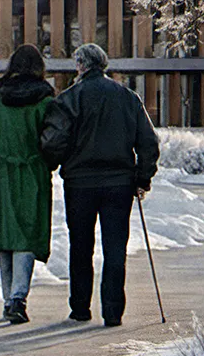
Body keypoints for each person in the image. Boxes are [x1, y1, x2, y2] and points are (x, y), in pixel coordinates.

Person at [41, 42, 161, 327]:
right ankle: (112, 310)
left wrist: (53, 163)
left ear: (81, 66)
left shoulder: (70, 98)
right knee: (115, 248)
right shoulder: (128, 97)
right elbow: (148, 142)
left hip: (79, 183)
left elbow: (54, 140)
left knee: (81, 245)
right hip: (119, 184)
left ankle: (80, 307)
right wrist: (143, 177)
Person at [0, 45, 57, 325]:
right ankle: (18, 298)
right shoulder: (44, 99)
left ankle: (9, 298)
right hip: (31, 174)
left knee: (4, 236)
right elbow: (55, 138)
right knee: (26, 235)